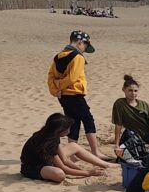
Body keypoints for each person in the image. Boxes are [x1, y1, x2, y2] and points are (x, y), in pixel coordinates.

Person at [47, 30, 111, 160]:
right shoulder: (78, 57)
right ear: (80, 42)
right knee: (88, 120)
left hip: (63, 96)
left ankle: (73, 153)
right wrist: (60, 87)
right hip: (75, 94)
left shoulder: (58, 56)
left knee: (73, 122)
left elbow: (51, 77)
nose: (84, 49)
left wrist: (56, 90)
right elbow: (72, 78)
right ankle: (95, 152)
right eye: (85, 46)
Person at [20, 113, 114, 184]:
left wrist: (81, 170)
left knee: (73, 145)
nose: (69, 131)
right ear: (59, 130)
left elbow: (64, 159)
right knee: (60, 174)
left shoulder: (52, 134)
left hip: (46, 160)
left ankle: (105, 164)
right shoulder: (46, 142)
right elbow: (63, 167)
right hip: (32, 167)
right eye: (67, 129)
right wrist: (88, 173)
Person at [112, 75, 149, 146]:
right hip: (143, 136)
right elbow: (118, 125)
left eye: (135, 91)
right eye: (130, 90)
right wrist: (116, 144)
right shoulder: (120, 104)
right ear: (124, 90)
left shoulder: (144, 104)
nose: (133, 93)